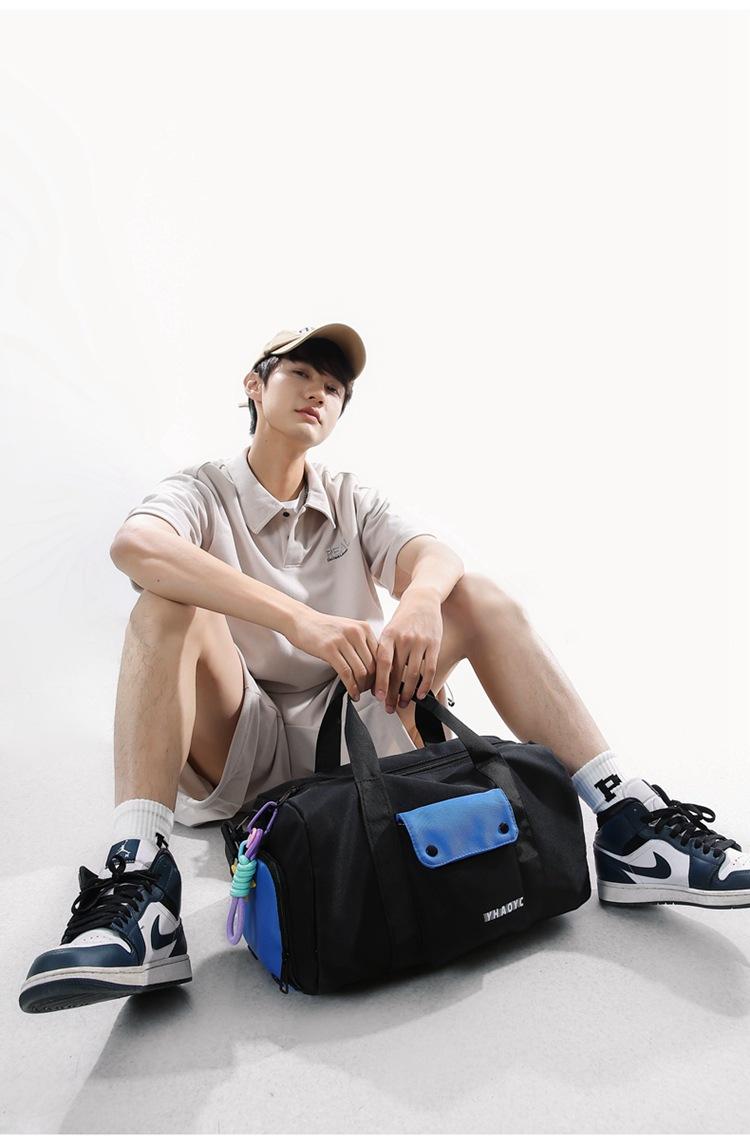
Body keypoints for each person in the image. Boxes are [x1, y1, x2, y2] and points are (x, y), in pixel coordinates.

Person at [19, 322, 750, 1014]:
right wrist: (298, 620)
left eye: (334, 388)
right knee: (163, 606)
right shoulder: (201, 491)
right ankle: (142, 881)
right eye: (301, 374)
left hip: (358, 724)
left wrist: (420, 601)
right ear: (254, 385)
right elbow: (135, 546)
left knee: (477, 597)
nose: (318, 392)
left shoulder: (347, 495)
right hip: (242, 739)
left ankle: (627, 821)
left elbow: (436, 554)